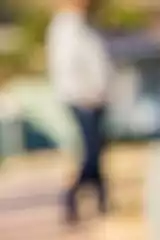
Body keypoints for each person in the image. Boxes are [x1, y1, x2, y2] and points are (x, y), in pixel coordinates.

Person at [46, 0, 113, 227]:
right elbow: (67, 66)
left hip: (95, 97)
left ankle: (103, 200)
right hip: (82, 98)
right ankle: (72, 196)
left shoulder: (85, 25)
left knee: (98, 150)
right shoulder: (66, 27)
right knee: (91, 152)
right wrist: (85, 94)